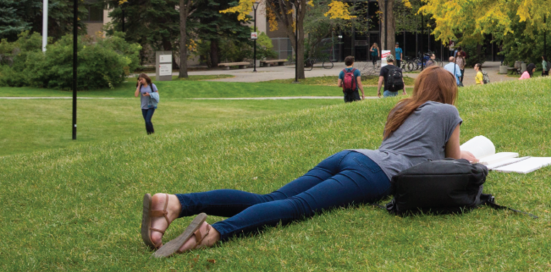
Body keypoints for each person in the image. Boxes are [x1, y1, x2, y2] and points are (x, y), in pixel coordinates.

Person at [139, 67, 479, 257]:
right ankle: (214, 233)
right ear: (449, 92)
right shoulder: (448, 111)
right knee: (298, 207)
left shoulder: (403, 107)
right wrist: (472, 158)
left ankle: (175, 202)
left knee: (272, 198)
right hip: (376, 173)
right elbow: (452, 160)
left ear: (420, 86)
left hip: (353, 156)